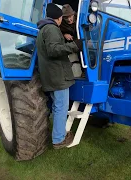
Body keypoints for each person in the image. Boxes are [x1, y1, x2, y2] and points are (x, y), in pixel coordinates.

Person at [36, 3, 83, 149]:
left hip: (51, 76)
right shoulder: (52, 28)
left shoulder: (43, 29)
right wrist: (75, 46)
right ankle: (58, 139)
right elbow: (54, 50)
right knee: (61, 107)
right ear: (59, 18)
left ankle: (59, 135)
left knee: (58, 107)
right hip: (58, 76)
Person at [60, 4, 84, 78]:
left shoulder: (81, 19)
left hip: (81, 43)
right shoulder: (60, 23)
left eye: (70, 16)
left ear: (73, 14)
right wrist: (64, 35)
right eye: (66, 18)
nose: (69, 19)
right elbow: (56, 33)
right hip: (71, 46)